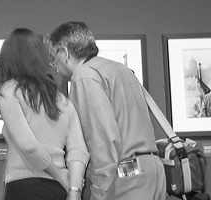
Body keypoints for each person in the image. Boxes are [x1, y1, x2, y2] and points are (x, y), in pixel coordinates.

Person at [47, 22, 166, 200]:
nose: (53, 65)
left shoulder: (84, 75)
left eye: (53, 56)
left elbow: (101, 139)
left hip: (127, 175)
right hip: (152, 170)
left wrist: (99, 191)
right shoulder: (120, 69)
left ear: (64, 52)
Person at [0, 28, 89, 200]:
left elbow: (28, 145)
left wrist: (60, 175)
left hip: (23, 186)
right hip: (57, 190)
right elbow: (78, 150)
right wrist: (74, 190)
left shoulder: (9, 90)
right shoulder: (60, 97)